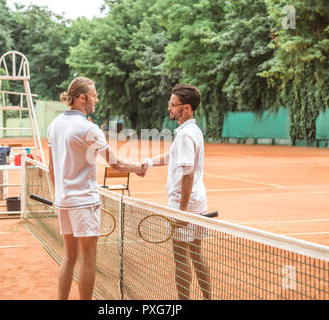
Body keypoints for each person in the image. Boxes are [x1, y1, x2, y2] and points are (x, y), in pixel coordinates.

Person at [47, 76, 147, 300]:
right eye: (94, 96)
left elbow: (51, 166)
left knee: (69, 257)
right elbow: (116, 163)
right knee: (88, 260)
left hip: (64, 202)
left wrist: (58, 195)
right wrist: (138, 167)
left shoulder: (54, 125)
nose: (97, 100)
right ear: (82, 98)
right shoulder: (89, 128)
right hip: (84, 202)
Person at [143, 83, 211, 300]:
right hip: (197, 202)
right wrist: (148, 163)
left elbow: (188, 174)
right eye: (170, 104)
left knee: (180, 258)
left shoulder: (185, 135)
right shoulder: (193, 131)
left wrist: (180, 211)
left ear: (187, 108)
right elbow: (173, 155)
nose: (169, 108)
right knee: (197, 254)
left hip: (183, 204)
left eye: (173, 105)